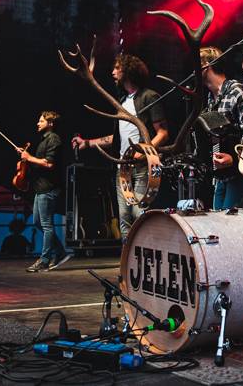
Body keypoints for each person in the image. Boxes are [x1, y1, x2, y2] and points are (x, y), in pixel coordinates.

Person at [72, 54, 170, 240]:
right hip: (122, 167)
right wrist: (87, 143)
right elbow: (116, 138)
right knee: (124, 217)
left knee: (138, 214)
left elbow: (163, 133)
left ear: (129, 70)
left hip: (144, 166)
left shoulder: (149, 97)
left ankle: (144, 257)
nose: (113, 72)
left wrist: (144, 152)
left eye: (117, 68)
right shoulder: (122, 103)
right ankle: (127, 263)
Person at [199, 46, 243, 210]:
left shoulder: (237, 91)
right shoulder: (211, 99)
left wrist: (233, 157)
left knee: (230, 223)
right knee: (219, 222)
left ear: (207, 65)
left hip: (240, 171)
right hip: (221, 176)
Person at [18, 111, 72, 272]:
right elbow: (39, 161)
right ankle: (60, 252)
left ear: (50, 123)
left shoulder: (54, 139)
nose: (38, 123)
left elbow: (49, 164)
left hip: (48, 188)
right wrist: (26, 156)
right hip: (40, 188)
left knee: (47, 225)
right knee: (37, 223)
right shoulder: (44, 140)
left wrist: (29, 158)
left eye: (41, 121)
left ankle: (44, 259)